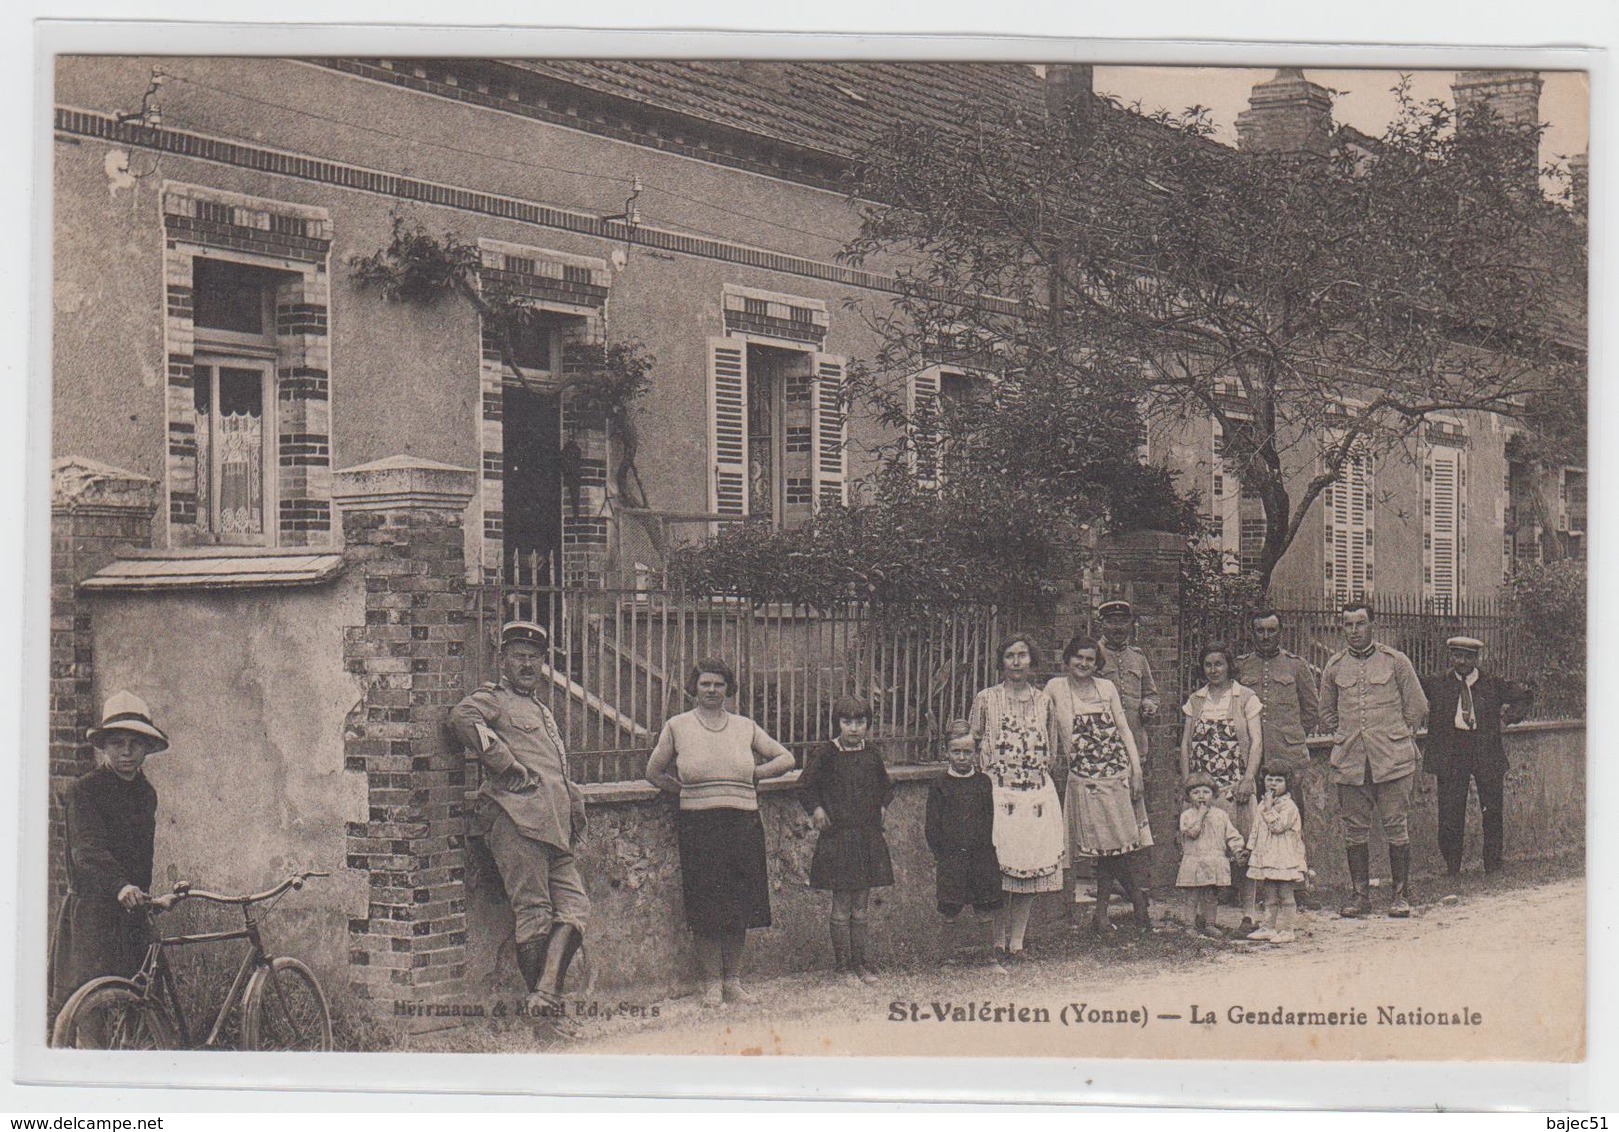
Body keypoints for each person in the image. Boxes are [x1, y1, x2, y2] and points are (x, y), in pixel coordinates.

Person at [448, 621, 589, 1019]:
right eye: (519, 656)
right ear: (503, 660)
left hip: (555, 828)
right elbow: (461, 718)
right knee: (534, 913)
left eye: (534, 657)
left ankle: (544, 998)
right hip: (516, 820)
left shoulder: (541, 709)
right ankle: (546, 1017)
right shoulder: (494, 699)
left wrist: (573, 805)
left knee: (576, 909)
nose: (527, 664)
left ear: (543, 663)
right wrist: (505, 763)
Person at [645, 657, 796, 1007]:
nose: (712, 690)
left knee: (739, 905)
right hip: (699, 826)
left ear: (729, 689)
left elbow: (786, 758)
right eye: (705, 684)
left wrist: (754, 775)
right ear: (694, 688)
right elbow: (653, 771)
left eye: (719, 684)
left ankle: (733, 981)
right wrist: (682, 791)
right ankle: (711, 983)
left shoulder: (745, 726)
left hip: (742, 822)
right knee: (706, 904)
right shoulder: (678, 726)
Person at [49, 692, 170, 1016]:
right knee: (93, 1007)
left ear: (147, 747)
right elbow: (86, 850)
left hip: (133, 914)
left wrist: (145, 895)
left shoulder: (145, 793)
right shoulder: (85, 791)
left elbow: (141, 855)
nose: (127, 751)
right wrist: (120, 886)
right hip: (95, 915)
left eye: (135, 743)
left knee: (140, 1003)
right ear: (104, 747)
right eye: (117, 742)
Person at [1320, 600, 1429, 918]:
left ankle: (1401, 896)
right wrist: (1350, 733)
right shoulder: (1334, 666)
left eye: (1360, 624)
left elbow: (1417, 707)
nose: (1354, 630)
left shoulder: (1396, 661)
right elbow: (1326, 712)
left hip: (1392, 760)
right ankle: (1360, 896)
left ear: (1373, 625)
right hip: (1351, 760)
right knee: (1355, 830)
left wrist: (1392, 733)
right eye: (1348, 624)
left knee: (1397, 828)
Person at [1046, 636, 1153, 935]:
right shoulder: (1055, 688)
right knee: (1105, 850)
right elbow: (1046, 727)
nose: (1083, 664)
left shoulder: (1106, 688)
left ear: (1097, 663)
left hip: (1116, 775)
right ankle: (1136, 903)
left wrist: (1136, 773)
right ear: (1067, 660)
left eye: (1090, 659)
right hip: (1085, 779)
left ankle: (1103, 913)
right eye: (1078, 658)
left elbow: (1124, 730)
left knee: (1116, 849)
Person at [969, 634, 1065, 963]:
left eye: (1022, 655)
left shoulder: (1044, 701)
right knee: (1001, 869)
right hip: (998, 793)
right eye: (1010, 656)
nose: (1017, 662)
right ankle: (997, 942)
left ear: (1031, 660)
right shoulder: (986, 699)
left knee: (1029, 867)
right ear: (1002, 661)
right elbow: (973, 740)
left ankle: (1017, 943)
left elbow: (1051, 748)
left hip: (1035, 794)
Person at [799, 696, 895, 986]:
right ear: (837, 723)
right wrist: (816, 809)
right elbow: (805, 786)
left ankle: (861, 964)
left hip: (866, 836)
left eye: (860, 722)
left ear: (868, 724)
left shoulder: (872, 754)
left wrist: (882, 806)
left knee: (861, 906)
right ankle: (842, 967)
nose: (854, 728)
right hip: (838, 837)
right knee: (841, 903)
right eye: (847, 722)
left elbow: (885, 786)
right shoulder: (826, 754)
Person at [1420, 636, 1533, 877]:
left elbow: (1524, 695)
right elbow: (1408, 687)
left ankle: (1493, 865)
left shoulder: (1492, 683)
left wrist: (1507, 718)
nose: (1461, 661)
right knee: (1450, 811)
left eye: (1467, 656)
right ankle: (1452, 868)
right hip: (1452, 751)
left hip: (1485, 748)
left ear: (1476, 658)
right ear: (1451, 657)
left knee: (1491, 809)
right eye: (1457, 656)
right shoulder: (1439, 683)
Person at [1179, 642, 1265, 937]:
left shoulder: (1246, 698)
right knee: (1205, 854)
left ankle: (1248, 914)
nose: (1214, 670)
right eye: (1208, 665)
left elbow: (1256, 742)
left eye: (1219, 664)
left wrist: (1248, 780)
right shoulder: (1196, 700)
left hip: (1235, 788)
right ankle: (1206, 918)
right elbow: (1186, 744)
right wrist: (1189, 783)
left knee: (1244, 851)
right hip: (1205, 794)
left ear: (1229, 665)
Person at [1236, 610, 1321, 907]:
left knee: (1293, 821)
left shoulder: (1297, 666)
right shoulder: (1242, 667)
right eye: (1260, 631)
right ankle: (1258, 889)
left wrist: (1291, 737)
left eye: (1271, 630)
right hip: (1253, 760)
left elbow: (1311, 710)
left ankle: (1298, 886)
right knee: (1255, 823)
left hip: (1288, 757)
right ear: (1252, 633)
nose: (1266, 636)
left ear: (1280, 632)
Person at [925, 720, 1004, 970]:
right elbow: (932, 826)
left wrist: (986, 851)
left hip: (980, 856)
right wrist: (942, 854)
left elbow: (988, 818)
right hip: (951, 857)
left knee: (985, 906)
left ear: (975, 753)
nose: (961, 757)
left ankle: (989, 958)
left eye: (967, 752)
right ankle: (947, 958)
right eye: (956, 751)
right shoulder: (939, 784)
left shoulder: (983, 782)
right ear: (946, 752)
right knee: (950, 908)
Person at [1175, 772, 1245, 937]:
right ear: (1188, 796)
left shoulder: (1221, 815)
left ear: (1213, 795)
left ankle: (1210, 924)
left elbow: (1231, 834)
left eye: (1205, 792)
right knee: (1192, 896)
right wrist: (1200, 815)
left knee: (1211, 896)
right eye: (1195, 792)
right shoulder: (1187, 816)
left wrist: (1238, 850)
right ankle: (1190, 925)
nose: (1201, 796)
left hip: (1213, 860)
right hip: (1194, 860)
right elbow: (1192, 832)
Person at [1246, 765, 1308, 943]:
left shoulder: (1289, 806)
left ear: (1287, 784)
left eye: (1278, 780)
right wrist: (1250, 849)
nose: (1273, 783)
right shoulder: (1263, 804)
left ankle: (1288, 930)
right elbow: (1256, 829)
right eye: (1269, 779)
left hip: (1283, 857)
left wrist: (1268, 808)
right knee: (1270, 893)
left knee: (1285, 893)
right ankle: (1268, 927)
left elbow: (1278, 827)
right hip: (1267, 856)